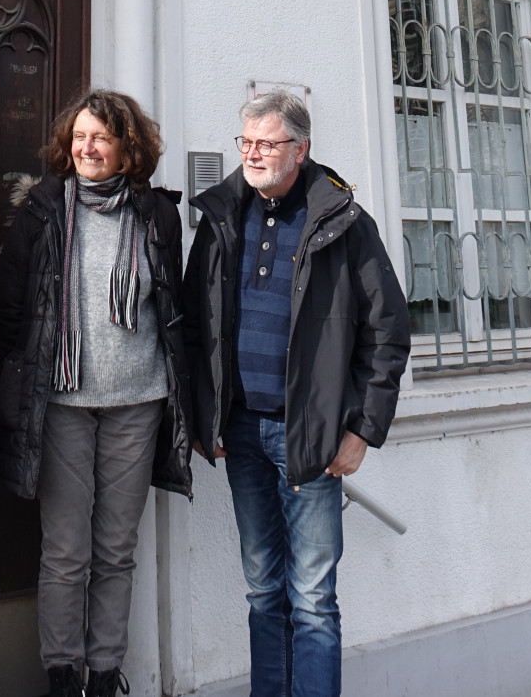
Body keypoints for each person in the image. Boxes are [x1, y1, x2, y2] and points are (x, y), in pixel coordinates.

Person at [183, 90, 411, 697]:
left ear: (301, 148)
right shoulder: (223, 217)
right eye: (247, 143)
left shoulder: (344, 223)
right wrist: (208, 418)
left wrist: (362, 429)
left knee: (312, 597)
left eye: (268, 144)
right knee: (262, 588)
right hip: (242, 433)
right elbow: (195, 322)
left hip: (310, 437)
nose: (253, 155)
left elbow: (389, 330)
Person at [0, 89, 192, 697]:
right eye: (79, 137)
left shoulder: (156, 214)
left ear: (127, 148)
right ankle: (62, 675)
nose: (87, 148)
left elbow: (173, 310)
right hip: (61, 405)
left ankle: (104, 676)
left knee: (115, 548)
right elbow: (10, 307)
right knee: (65, 551)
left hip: (137, 402)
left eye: (101, 138)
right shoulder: (43, 209)